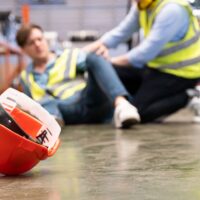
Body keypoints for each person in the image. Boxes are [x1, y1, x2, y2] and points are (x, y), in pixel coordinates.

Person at [84, 0, 200, 123]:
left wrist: (107, 62)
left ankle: (189, 96)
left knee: (138, 113)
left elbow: (144, 53)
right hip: (155, 67)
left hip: (181, 73)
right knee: (110, 73)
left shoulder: (172, 10)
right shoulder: (143, 4)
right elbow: (120, 33)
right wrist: (79, 54)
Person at [15, 23, 140, 129]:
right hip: (62, 112)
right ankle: (52, 126)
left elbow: (96, 63)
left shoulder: (69, 55)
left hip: (88, 100)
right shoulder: (25, 76)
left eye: (40, 39)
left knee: (94, 57)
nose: (37, 44)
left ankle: (122, 105)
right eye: (31, 42)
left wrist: (102, 57)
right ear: (23, 49)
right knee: (44, 103)